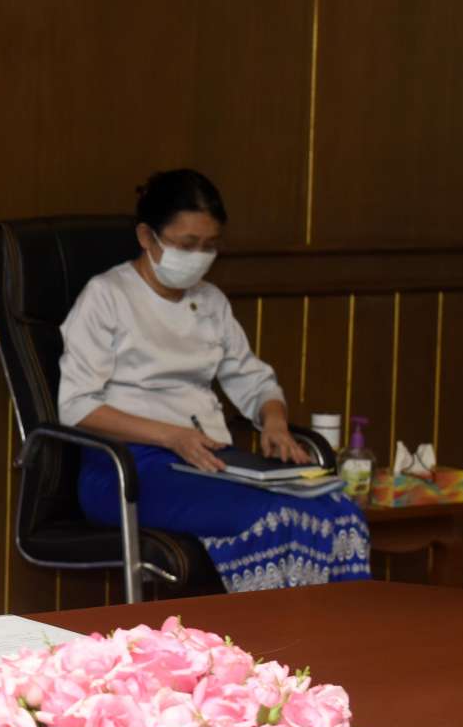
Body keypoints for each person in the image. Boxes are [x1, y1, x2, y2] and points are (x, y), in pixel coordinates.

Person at [56, 169, 370, 591]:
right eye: (187, 245)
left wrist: (274, 422)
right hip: (126, 469)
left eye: (209, 246)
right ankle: (270, 630)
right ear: (147, 237)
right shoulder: (106, 296)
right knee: (274, 517)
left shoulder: (210, 301)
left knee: (339, 510)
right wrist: (171, 436)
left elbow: (255, 381)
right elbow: (76, 406)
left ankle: (335, 629)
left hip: (209, 462)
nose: (199, 256)